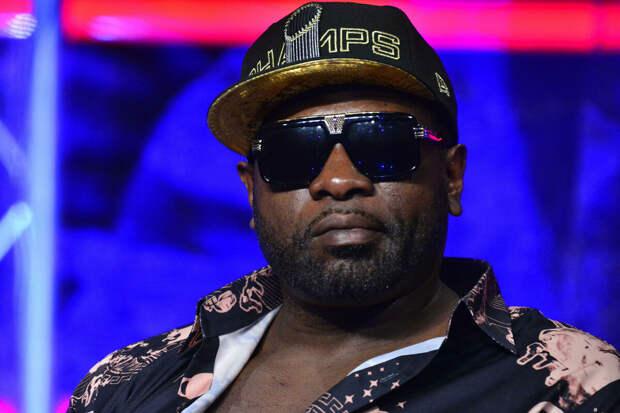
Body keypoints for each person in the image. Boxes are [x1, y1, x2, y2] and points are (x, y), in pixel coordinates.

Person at [68, 2, 620, 412]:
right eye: (293, 153)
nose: (338, 180)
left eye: (383, 144)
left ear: (452, 177)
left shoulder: (582, 389)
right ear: (251, 191)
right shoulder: (123, 383)